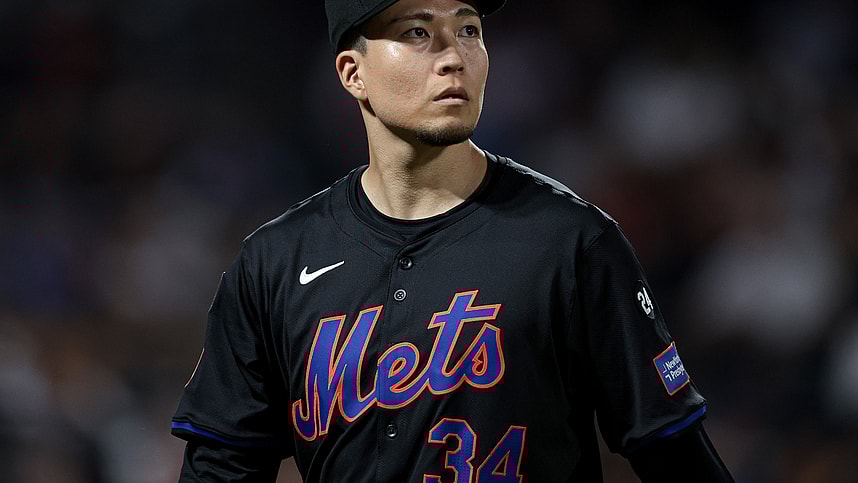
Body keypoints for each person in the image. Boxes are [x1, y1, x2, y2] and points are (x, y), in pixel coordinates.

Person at [170, 0, 735, 481]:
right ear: (352, 73)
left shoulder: (571, 243)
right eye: (417, 33)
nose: (453, 57)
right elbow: (222, 465)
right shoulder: (275, 261)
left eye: (468, 30)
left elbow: (672, 452)